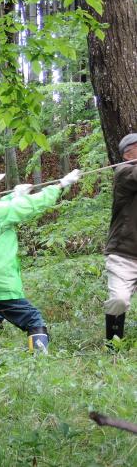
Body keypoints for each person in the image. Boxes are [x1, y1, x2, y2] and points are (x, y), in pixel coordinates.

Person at [0, 168, 81, 353]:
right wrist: (60, 185)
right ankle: (39, 365)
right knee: (33, 319)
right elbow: (30, 205)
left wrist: (14, 195)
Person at [103, 133, 137, 345]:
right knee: (118, 301)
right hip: (123, 254)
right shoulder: (123, 172)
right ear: (128, 153)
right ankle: (113, 345)